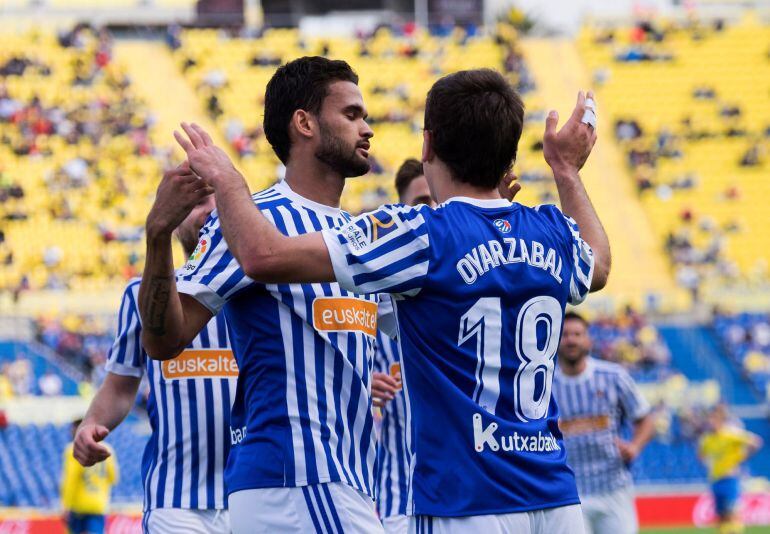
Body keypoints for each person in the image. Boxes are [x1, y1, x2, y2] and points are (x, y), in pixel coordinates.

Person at [176, 68, 611, 532]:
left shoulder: (422, 234)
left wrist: (229, 184)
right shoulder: (550, 228)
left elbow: (264, 255)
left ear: (427, 146)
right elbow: (599, 265)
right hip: (556, 498)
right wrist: (565, 171)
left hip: (465, 500)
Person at [139, 57, 384, 533]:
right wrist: (157, 236)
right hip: (296, 477)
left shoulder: (356, 232)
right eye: (352, 115)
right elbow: (164, 340)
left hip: (342, 480)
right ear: (304, 123)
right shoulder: (251, 219)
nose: (367, 128)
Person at [73, 169, 235, 534]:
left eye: (210, 198)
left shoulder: (256, 290)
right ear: (175, 224)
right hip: (174, 499)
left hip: (251, 491)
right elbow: (119, 385)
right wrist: (89, 424)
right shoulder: (140, 295)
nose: (205, 210)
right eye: (193, 204)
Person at [552, 312, 655, 534]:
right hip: (569, 494)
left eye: (577, 334)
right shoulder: (546, 384)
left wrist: (635, 446)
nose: (571, 339)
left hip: (613, 488)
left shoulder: (613, 376)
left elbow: (645, 418)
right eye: (565, 334)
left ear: (588, 340)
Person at [699, 404, 763, 534]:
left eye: (714, 419)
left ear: (721, 420)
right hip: (715, 480)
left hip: (730, 479)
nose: (711, 422)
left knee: (733, 513)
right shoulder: (707, 439)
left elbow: (756, 442)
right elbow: (701, 455)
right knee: (721, 516)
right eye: (710, 419)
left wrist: (742, 456)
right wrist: (710, 463)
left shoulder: (731, 434)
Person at [62, 418, 119, 534]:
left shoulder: (72, 449)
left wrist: (66, 505)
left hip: (78, 506)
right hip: (99, 505)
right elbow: (114, 479)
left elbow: (70, 480)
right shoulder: (108, 449)